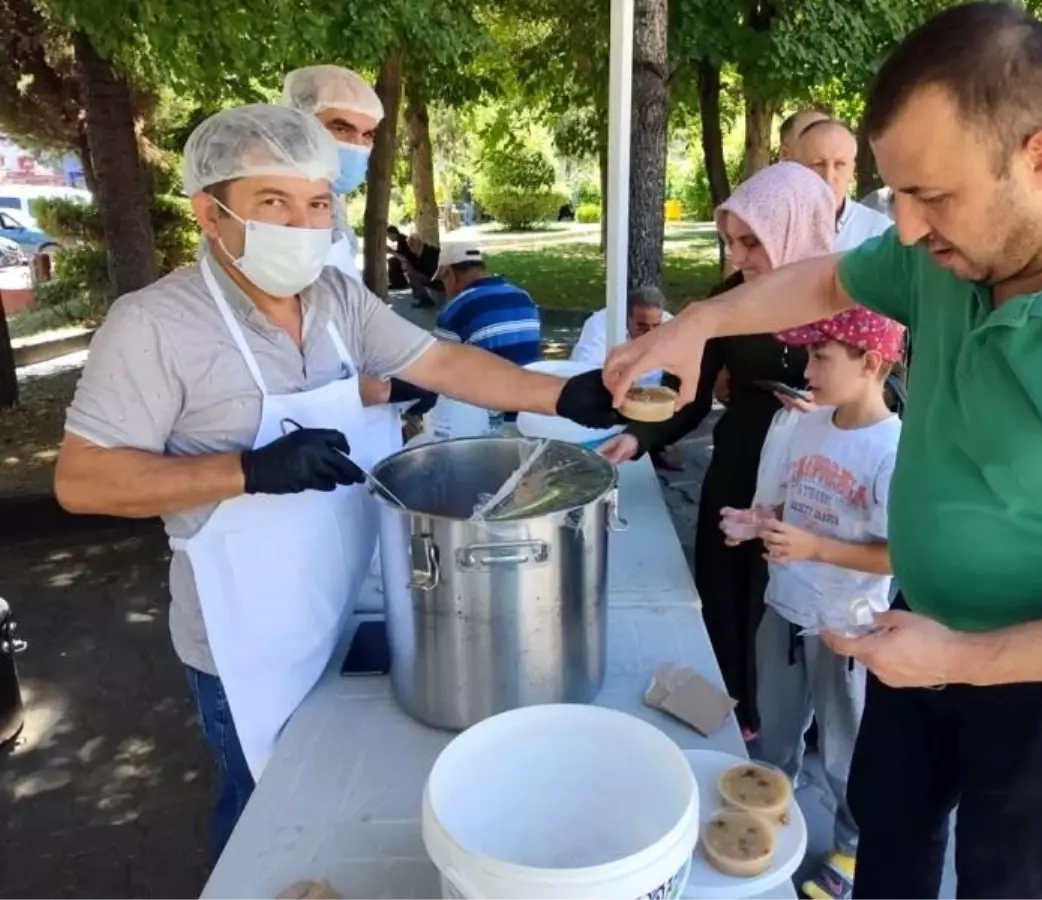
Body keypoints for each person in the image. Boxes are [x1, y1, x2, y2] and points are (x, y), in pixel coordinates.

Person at [603, 4, 1042, 898]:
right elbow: (836, 276)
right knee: (889, 828)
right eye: (898, 195)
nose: (909, 231)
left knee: (1005, 877)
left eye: (933, 196)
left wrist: (962, 659)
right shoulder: (950, 243)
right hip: (919, 622)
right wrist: (701, 322)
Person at [52, 105, 619, 862]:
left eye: (316, 203)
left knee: (341, 799)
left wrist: (558, 393)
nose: (301, 223)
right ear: (208, 212)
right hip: (242, 637)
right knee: (262, 813)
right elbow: (82, 481)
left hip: (342, 600)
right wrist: (246, 471)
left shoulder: (334, 299)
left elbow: (440, 363)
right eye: (272, 203)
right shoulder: (153, 324)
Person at [599, 162, 836, 739]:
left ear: (794, 226)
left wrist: (837, 410)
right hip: (740, 467)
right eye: (729, 241)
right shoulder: (728, 302)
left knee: (790, 604)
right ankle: (740, 720)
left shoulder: (848, 294)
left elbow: (893, 387)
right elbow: (692, 393)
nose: (737, 257)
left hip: (820, 477)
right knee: (727, 592)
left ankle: (794, 725)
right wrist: (639, 436)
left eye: (751, 241)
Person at [746, 307, 904, 900]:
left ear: (872, 364)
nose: (805, 369)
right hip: (784, 610)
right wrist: (758, 521)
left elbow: (897, 557)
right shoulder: (809, 426)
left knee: (846, 752)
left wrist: (813, 546)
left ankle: (853, 847)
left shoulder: (892, 450)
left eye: (821, 357)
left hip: (847, 631)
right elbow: (796, 505)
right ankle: (766, 813)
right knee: (777, 737)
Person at [280, 65, 382, 279]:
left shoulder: (333, 204)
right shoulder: (262, 209)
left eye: (368, 135)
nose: (357, 146)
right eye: (341, 129)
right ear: (298, 125)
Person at [571, 286, 683, 470]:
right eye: (642, 326)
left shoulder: (669, 323)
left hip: (650, 391)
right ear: (626, 317)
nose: (650, 334)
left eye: (655, 327)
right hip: (608, 388)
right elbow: (584, 369)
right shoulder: (600, 325)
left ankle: (655, 445)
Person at [433, 242, 541, 366]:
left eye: (442, 280)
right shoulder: (524, 297)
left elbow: (440, 365)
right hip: (532, 379)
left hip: (489, 383)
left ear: (450, 274)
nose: (445, 289)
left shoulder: (455, 309)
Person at [793, 119, 893, 251]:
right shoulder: (774, 230)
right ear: (796, 169)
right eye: (818, 164)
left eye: (839, 164)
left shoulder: (881, 233)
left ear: (852, 171)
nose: (828, 177)